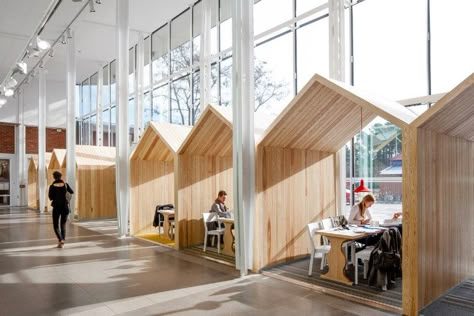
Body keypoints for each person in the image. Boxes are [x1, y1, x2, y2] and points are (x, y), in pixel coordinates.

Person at [48, 171, 74, 248]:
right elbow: (72, 192)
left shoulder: (52, 186)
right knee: (63, 225)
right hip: (65, 207)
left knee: (56, 225)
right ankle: (62, 242)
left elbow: (51, 197)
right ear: (60, 176)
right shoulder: (65, 185)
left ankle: (61, 240)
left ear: (54, 177)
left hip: (56, 207)